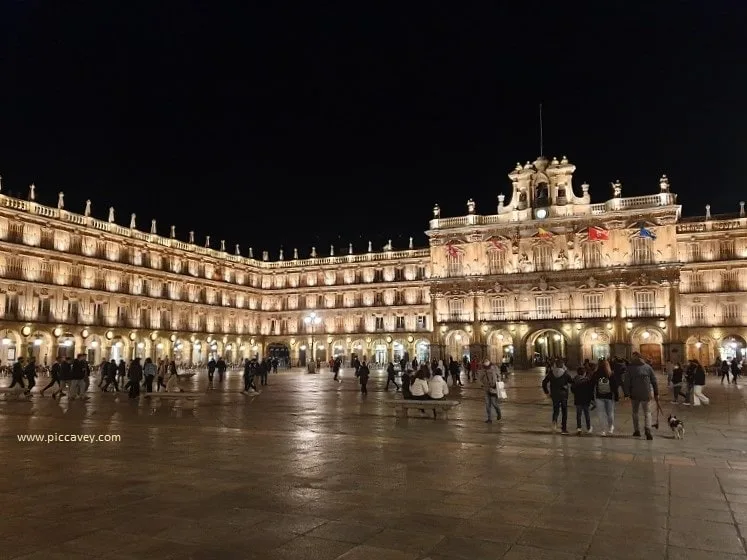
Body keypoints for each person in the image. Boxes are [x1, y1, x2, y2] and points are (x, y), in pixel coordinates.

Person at [623, 351, 659, 440]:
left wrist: (626, 393)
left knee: (635, 412)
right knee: (647, 412)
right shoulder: (648, 367)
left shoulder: (630, 368)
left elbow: (626, 382)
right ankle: (648, 429)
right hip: (646, 393)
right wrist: (656, 393)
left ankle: (637, 430)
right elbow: (654, 381)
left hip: (634, 393)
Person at [542, 358, 573, 434]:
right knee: (564, 411)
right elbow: (572, 381)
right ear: (562, 365)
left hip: (554, 394)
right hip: (563, 395)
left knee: (556, 410)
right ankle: (564, 429)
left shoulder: (551, 373)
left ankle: (554, 424)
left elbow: (544, 382)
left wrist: (547, 392)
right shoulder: (565, 374)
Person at [592, 358, 617, 436]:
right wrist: (616, 396)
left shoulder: (596, 373)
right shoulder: (610, 374)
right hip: (609, 396)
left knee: (601, 414)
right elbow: (614, 386)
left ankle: (603, 430)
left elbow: (592, 384)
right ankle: (611, 428)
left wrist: (591, 397)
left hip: (599, 396)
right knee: (610, 413)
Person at [571, 366, 594, 435]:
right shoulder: (587, 380)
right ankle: (588, 428)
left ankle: (579, 428)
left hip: (578, 399)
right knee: (587, 414)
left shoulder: (575, 380)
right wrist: (592, 400)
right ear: (584, 373)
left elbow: (572, 389)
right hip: (586, 400)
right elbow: (590, 391)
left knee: (578, 415)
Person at [478, 359, 502, 423]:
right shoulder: (482, 369)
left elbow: (499, 376)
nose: (486, 363)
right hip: (486, 389)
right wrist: (482, 384)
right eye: (485, 362)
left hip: (494, 388)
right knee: (487, 404)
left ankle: (498, 412)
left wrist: (498, 382)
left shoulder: (494, 368)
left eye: (487, 362)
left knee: (494, 403)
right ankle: (489, 418)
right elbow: (480, 378)